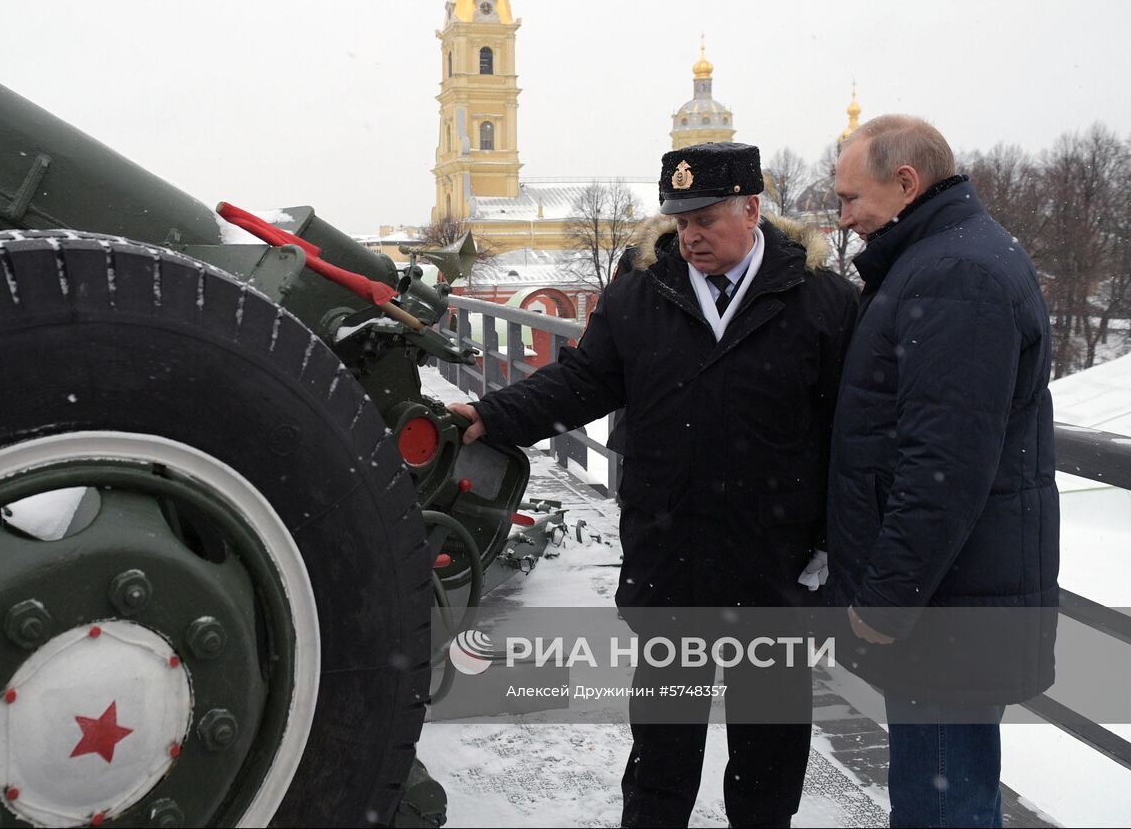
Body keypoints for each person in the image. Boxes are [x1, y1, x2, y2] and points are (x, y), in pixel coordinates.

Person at [450, 142, 858, 828]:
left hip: (776, 568)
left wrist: (834, 542)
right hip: (673, 556)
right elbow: (584, 381)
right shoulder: (643, 292)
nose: (689, 234)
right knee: (663, 749)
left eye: (705, 217)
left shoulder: (820, 301)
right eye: (679, 219)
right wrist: (491, 414)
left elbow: (853, 432)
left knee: (769, 748)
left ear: (752, 208)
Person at [826, 115, 1059, 828]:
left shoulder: (955, 274)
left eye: (850, 199)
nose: (843, 220)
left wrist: (887, 600)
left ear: (905, 183)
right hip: (951, 592)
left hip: (945, 605)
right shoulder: (942, 257)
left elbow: (944, 464)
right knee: (944, 789)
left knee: (942, 801)